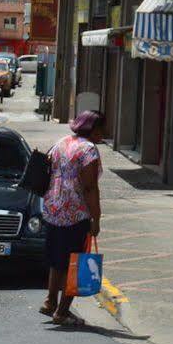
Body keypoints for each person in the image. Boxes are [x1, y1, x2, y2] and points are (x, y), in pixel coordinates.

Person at [39, 111, 105, 328]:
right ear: (93, 130)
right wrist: (95, 218)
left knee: (57, 261)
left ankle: (50, 301)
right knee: (74, 264)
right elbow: (89, 187)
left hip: (53, 209)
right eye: (102, 130)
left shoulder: (61, 142)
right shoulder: (88, 150)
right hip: (75, 214)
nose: (104, 134)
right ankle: (63, 311)